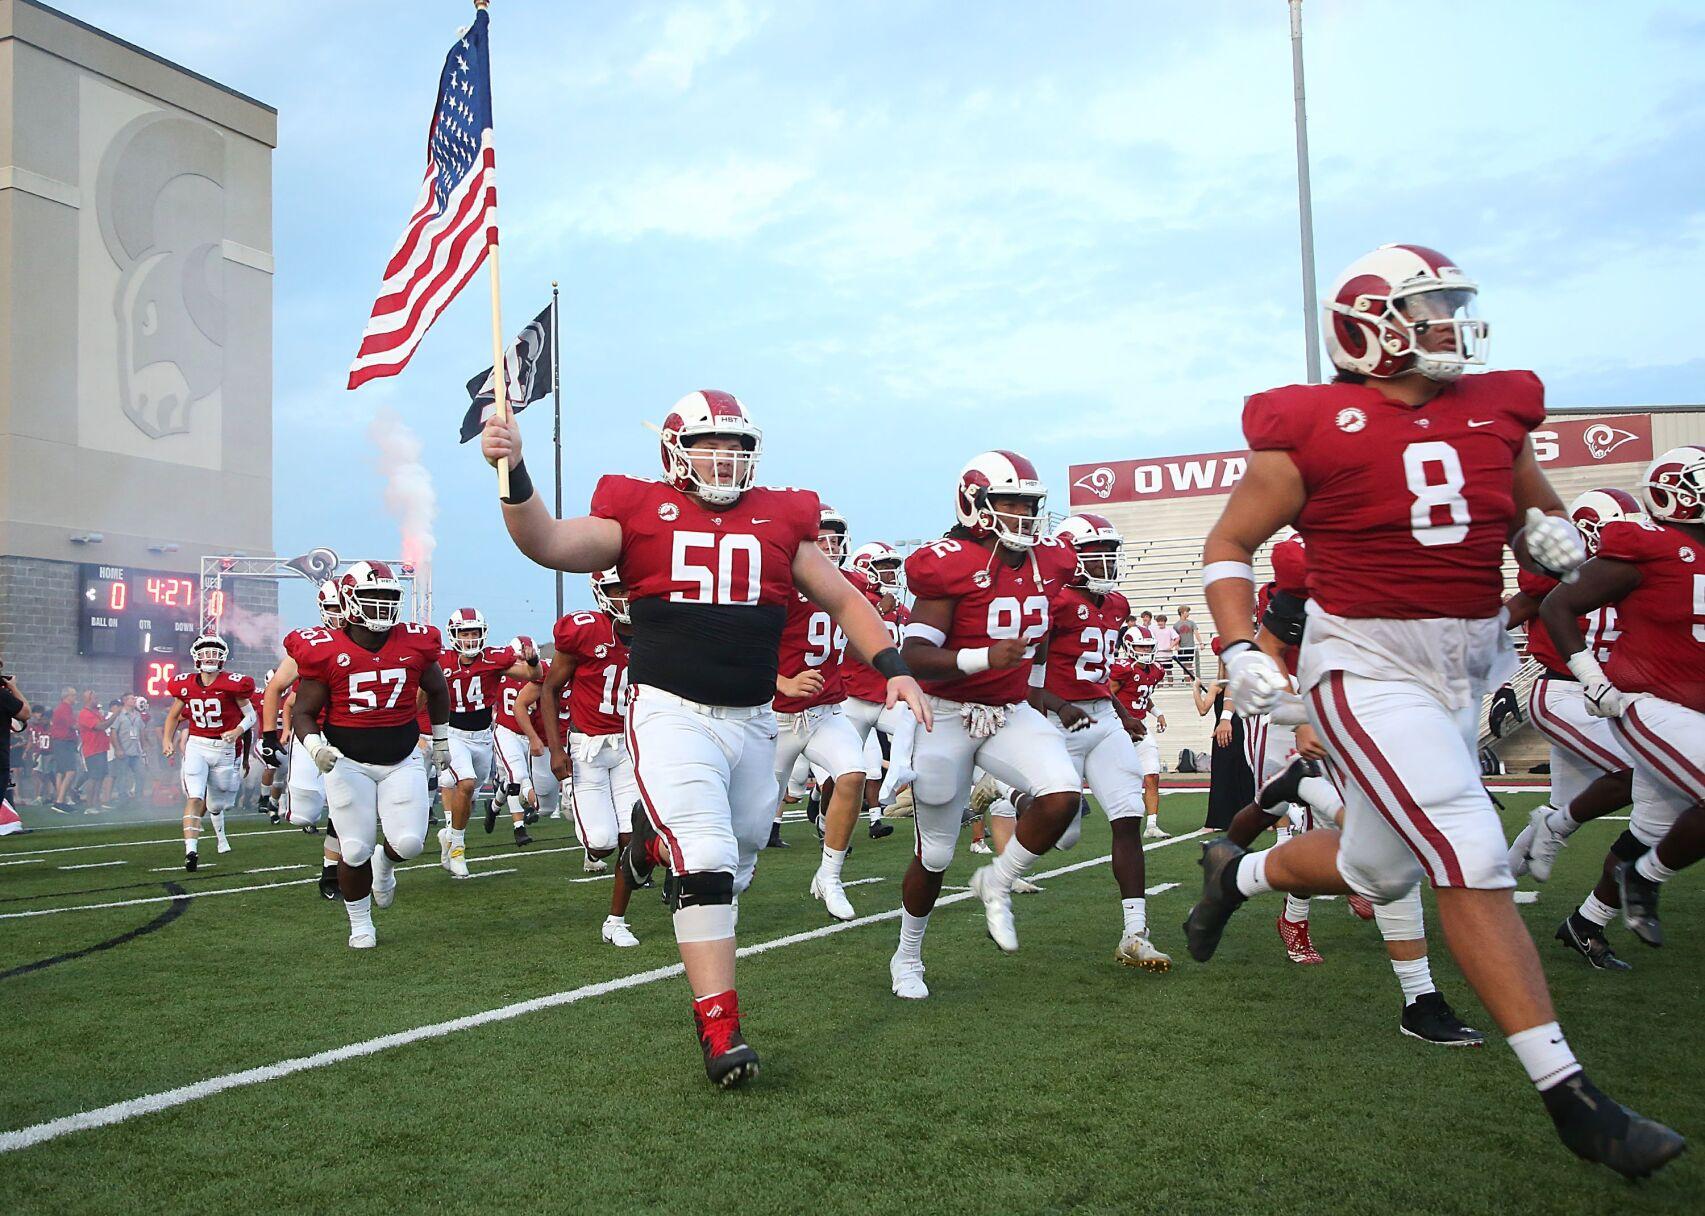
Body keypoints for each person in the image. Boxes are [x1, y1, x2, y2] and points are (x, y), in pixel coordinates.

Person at [1186, 242, 1682, 1176]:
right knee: (1464, 839)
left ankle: (1234, 877)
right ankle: (1571, 1096)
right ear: (1367, 328)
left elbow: (1534, 515)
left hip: (1464, 662)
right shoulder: (1313, 425)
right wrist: (1234, 641)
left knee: (1376, 864)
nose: (1450, 322)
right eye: (1429, 307)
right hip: (1364, 662)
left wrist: (1551, 533)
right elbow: (1227, 543)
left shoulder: (1496, 410)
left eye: (1450, 303)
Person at [483, 389, 926, 1088]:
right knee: (712, 857)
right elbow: (547, 543)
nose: (724, 457)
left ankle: (652, 842)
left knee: (742, 853)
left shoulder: (780, 517)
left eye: (737, 446)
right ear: (673, 450)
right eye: (710, 443)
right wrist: (513, 470)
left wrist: (893, 670)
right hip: (669, 710)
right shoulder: (638, 509)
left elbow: (843, 598)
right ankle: (720, 1027)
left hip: (753, 719)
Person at [889, 451, 1082, 999]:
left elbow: (1044, 631)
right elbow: (916, 654)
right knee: (936, 855)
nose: (1024, 514)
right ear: (975, 504)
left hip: (1007, 711)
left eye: (1030, 503)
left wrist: (1036, 685)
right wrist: (982, 659)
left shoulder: (1051, 561)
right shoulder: (946, 562)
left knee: (1063, 797)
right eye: (1011, 502)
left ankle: (995, 882)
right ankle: (907, 956)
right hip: (945, 714)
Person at [1536, 446, 1705, 956]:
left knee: (1650, 828)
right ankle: (1645, 878)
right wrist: (1590, 677)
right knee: (1655, 832)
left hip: (1691, 707)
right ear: (1670, 493)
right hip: (1648, 703)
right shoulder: (1650, 544)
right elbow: (1557, 603)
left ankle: (1587, 922)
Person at [1501, 489, 1641, 970]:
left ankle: (1491, 882)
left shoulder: (1637, 570)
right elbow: (1518, 608)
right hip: (1565, 693)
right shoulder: (1559, 571)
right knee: (1636, 771)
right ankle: (1555, 834)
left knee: (1564, 803)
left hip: (1610, 699)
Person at [289, 561, 450, 949]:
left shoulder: (415, 641)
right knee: (355, 847)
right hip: (347, 761)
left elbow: (438, 690)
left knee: (410, 842)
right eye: (371, 596)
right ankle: (360, 923)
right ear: (349, 601)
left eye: (387, 597)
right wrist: (316, 747)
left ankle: (386, 864)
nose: (381, 605)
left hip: (402, 757)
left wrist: (441, 740)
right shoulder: (324, 649)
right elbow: (304, 712)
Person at [1033, 513, 1170, 969]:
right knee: (1065, 835)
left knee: (1127, 818)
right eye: (1096, 553)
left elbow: (1101, 675)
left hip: (1101, 720)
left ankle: (1135, 932)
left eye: (1110, 553)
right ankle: (1012, 796)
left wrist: (1123, 713)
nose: (1107, 562)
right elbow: (1025, 679)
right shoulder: (1050, 602)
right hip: (1056, 720)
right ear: (1071, 557)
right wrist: (1057, 705)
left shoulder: (1115, 604)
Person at [770, 505, 884, 921]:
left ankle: (829, 876)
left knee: (853, 773)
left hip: (824, 712)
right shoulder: (778, 583)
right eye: (821, 537)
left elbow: (850, 640)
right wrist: (782, 682)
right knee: (755, 819)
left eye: (835, 537)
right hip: (772, 718)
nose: (829, 545)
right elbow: (743, 647)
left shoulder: (849, 583)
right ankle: (729, 886)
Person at [536, 569, 642, 945]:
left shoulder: (658, 629)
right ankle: (573, 804)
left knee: (634, 838)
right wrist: (555, 749)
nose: (627, 596)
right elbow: (548, 690)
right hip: (587, 749)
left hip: (631, 745)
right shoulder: (584, 631)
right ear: (601, 592)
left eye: (631, 587)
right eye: (618, 589)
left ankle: (616, 920)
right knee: (601, 843)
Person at [434, 608, 539, 873]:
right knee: (465, 783)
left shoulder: (493, 658)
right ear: (454, 636)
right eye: (464, 633)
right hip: (453, 733)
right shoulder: (442, 661)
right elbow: (424, 691)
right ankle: (458, 848)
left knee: (469, 797)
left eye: (474, 633)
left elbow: (531, 676)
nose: (469, 639)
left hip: (483, 737)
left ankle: (449, 835)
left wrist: (534, 661)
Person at [260, 580, 348, 899]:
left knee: (344, 806)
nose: (343, 615)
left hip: (350, 734)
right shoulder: (311, 645)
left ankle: (330, 870)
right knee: (304, 814)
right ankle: (281, 804)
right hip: (311, 733)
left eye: (346, 607)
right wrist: (270, 734)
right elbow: (276, 688)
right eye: (336, 608)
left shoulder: (370, 641)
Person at [162, 637, 255, 868]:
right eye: (205, 653)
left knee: (218, 804)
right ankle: (191, 851)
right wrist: (167, 740)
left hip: (224, 748)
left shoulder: (234, 684)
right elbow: (174, 715)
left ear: (222, 657)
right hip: (197, 745)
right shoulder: (185, 685)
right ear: (196, 657)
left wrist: (236, 731)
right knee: (194, 797)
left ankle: (218, 829)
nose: (210, 657)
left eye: (215, 653)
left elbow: (252, 716)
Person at [845, 540, 911, 832]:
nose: (891, 574)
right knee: (843, 771)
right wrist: (876, 611)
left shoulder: (901, 608)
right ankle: (821, 814)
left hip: (888, 698)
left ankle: (894, 785)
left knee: (920, 728)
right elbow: (850, 643)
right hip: (853, 698)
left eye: (893, 567)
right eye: (883, 567)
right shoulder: (852, 599)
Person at [1109, 632, 1168, 839]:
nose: (1145, 651)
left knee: (1152, 775)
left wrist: (1157, 712)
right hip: (1116, 726)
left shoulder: (1156, 670)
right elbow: (1107, 694)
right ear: (1129, 646)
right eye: (1141, 647)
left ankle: (1152, 825)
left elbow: (1142, 694)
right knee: (1122, 779)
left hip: (1140, 726)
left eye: (1148, 646)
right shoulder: (1123, 669)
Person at [490, 639, 547, 845]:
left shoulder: (539, 678)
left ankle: (494, 806)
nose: (523, 664)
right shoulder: (501, 675)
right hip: (507, 732)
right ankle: (519, 827)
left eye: (528, 660)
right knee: (518, 776)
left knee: (511, 781)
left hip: (529, 734)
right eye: (519, 659)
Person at [76, 692, 116, 811]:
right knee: (93, 777)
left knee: (101, 776)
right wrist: (115, 715)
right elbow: (101, 726)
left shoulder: (97, 712)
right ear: (88, 699)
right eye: (95, 697)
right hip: (92, 749)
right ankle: (89, 805)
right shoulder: (85, 713)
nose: (97, 699)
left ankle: (96, 802)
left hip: (101, 748)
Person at [48, 688, 81, 812]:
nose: (75, 698)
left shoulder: (61, 708)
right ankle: (60, 801)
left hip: (60, 742)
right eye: (74, 695)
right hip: (64, 742)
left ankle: (61, 799)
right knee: (70, 771)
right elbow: (73, 725)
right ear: (67, 696)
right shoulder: (65, 709)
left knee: (60, 772)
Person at [110, 696, 147, 803]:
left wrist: (144, 748)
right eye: (132, 699)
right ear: (125, 701)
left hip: (135, 751)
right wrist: (118, 749)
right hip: (124, 751)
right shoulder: (119, 715)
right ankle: (123, 799)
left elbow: (141, 732)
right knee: (122, 776)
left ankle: (138, 797)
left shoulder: (137, 715)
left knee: (140, 774)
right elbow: (113, 733)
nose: (135, 700)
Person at [1173, 605, 1199, 677]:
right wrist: (1176, 645)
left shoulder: (1191, 623)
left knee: (1189, 665)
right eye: (1187, 612)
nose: (1188, 613)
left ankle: (1193, 680)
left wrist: (1201, 643)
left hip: (1190, 646)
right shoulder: (1176, 625)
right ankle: (1187, 682)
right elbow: (1175, 637)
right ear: (1182, 612)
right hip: (1181, 648)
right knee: (1184, 666)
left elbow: (1196, 633)